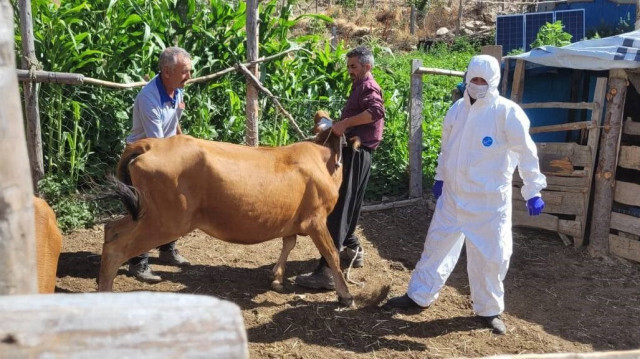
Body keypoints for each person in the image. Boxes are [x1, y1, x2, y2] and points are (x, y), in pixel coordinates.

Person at [381, 55, 547, 335]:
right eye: (473, 80)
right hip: (454, 199)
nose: (477, 85)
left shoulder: (507, 112)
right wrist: (440, 178)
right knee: (436, 247)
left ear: (493, 81)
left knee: (491, 258)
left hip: (489, 204)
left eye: (483, 81)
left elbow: (526, 153)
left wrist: (533, 189)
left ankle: (489, 310)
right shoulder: (457, 109)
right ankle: (419, 296)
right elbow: (448, 148)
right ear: (467, 79)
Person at [294, 46, 385, 290]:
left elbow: (376, 112)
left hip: (356, 153)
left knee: (340, 209)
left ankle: (326, 271)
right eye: (348, 67)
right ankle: (352, 249)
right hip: (359, 152)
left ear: (367, 66)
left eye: (353, 67)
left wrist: (344, 124)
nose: (350, 71)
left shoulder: (368, 86)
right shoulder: (359, 86)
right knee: (349, 205)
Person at [125, 46, 193, 283]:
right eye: (185, 72)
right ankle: (138, 261)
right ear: (166, 71)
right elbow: (156, 141)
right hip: (143, 157)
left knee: (173, 203)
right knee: (147, 208)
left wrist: (185, 144)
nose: (189, 77)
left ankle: (166, 249)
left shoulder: (176, 90)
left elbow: (174, 125)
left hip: (165, 153)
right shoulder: (148, 98)